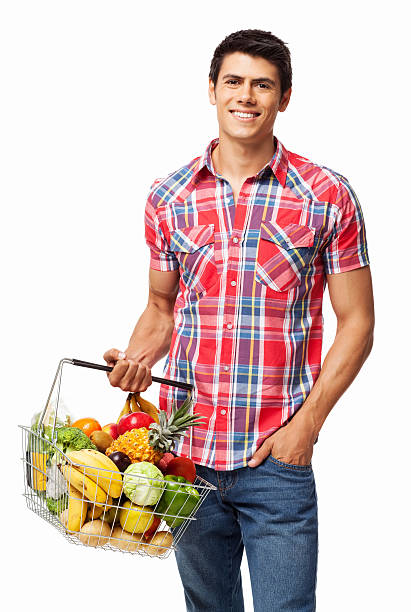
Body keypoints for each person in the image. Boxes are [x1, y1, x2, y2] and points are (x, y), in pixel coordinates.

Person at [104, 29, 374, 612]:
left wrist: (307, 427)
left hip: (276, 459)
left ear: (284, 97)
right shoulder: (169, 196)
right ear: (211, 90)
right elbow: (161, 308)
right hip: (187, 460)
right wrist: (135, 360)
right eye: (233, 81)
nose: (246, 96)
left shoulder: (326, 195)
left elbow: (357, 322)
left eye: (262, 84)